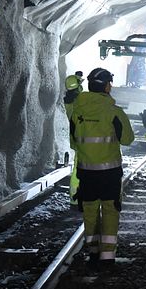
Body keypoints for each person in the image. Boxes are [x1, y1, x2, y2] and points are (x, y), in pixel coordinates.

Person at [70, 67, 134, 268]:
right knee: (110, 209)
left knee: (89, 210)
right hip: (109, 172)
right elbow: (128, 139)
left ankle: (93, 251)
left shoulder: (77, 111)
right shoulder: (114, 112)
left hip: (86, 172)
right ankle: (108, 256)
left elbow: (74, 143)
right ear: (107, 86)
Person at [63, 71, 84, 206]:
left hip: (76, 139)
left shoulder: (69, 100)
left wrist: (78, 79)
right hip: (84, 138)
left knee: (78, 169)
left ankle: (74, 198)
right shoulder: (80, 101)